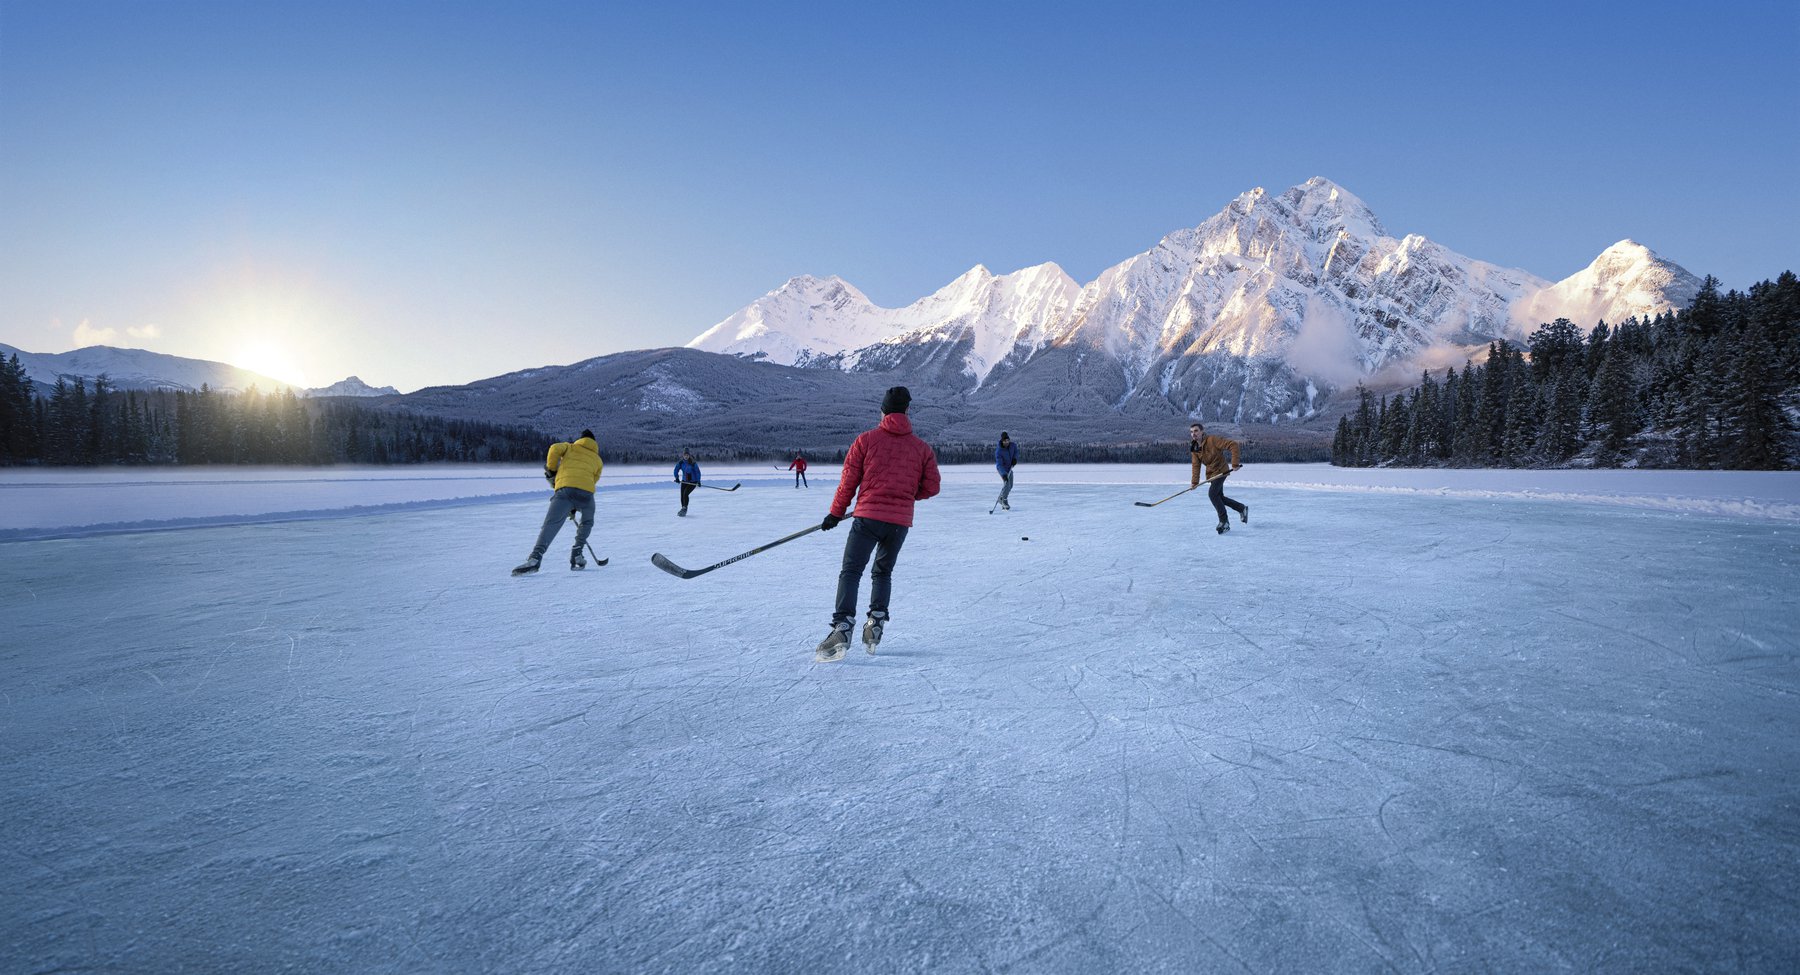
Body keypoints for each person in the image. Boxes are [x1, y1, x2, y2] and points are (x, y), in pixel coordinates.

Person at [815, 386, 940, 662]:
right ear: (907, 411)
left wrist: (835, 514)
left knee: (851, 571)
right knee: (882, 573)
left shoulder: (866, 440)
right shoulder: (922, 449)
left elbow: (848, 483)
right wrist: (905, 496)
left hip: (868, 518)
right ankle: (875, 624)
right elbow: (932, 487)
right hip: (898, 523)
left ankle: (843, 626)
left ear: (882, 411)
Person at [513, 429, 602, 574]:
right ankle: (577, 554)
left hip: (565, 491)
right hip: (587, 494)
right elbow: (593, 479)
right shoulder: (598, 460)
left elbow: (554, 448)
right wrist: (576, 505)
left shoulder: (570, 447)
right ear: (594, 443)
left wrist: (552, 471)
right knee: (587, 522)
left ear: (581, 439)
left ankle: (535, 558)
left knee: (551, 524)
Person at [1189, 421, 1247, 534]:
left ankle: (1224, 522)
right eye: (1191, 432)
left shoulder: (1212, 440)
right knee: (1220, 497)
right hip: (1211, 475)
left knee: (1212, 494)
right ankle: (1241, 508)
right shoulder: (1194, 447)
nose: (1193, 434)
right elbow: (1196, 465)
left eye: (1196, 431)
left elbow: (1233, 445)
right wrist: (1194, 482)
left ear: (1202, 432)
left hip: (1221, 471)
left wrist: (1234, 463)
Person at [994, 432, 1018, 509]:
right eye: (1005, 441)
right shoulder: (999, 451)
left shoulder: (1012, 445)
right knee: (1006, 484)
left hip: (1009, 468)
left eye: (1008, 440)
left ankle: (1001, 497)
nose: (1007, 442)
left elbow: (1016, 452)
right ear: (1002, 441)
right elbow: (999, 465)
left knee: (1010, 485)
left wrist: (1015, 459)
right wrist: (1004, 474)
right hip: (1002, 469)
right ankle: (1004, 501)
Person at [673, 449, 701, 516]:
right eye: (685, 455)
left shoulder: (693, 463)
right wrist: (677, 478)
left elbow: (697, 472)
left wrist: (698, 481)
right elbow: (676, 469)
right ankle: (683, 508)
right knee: (682, 495)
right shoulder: (681, 462)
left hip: (693, 482)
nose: (686, 456)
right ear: (683, 455)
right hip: (684, 481)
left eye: (687, 455)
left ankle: (685, 508)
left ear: (689, 455)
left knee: (685, 493)